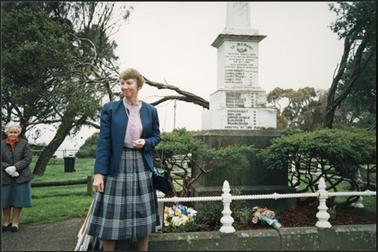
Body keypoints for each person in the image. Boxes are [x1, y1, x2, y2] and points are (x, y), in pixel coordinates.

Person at [87, 68, 161, 251]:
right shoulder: (110, 109)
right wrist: (98, 173)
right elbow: (104, 141)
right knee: (111, 217)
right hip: (116, 164)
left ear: (138, 85)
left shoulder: (151, 110)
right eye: (122, 83)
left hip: (141, 164)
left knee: (143, 214)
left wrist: (146, 142)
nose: (124, 86)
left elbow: (157, 136)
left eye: (128, 83)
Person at [1, 122, 33, 232]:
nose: (13, 134)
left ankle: (15, 223)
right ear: (7, 132)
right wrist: (6, 167)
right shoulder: (1, 144)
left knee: (18, 200)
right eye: (11, 132)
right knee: (5, 200)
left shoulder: (24, 143)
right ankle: (6, 221)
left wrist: (15, 167)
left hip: (21, 176)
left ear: (18, 133)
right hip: (4, 177)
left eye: (15, 132)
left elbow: (28, 159)